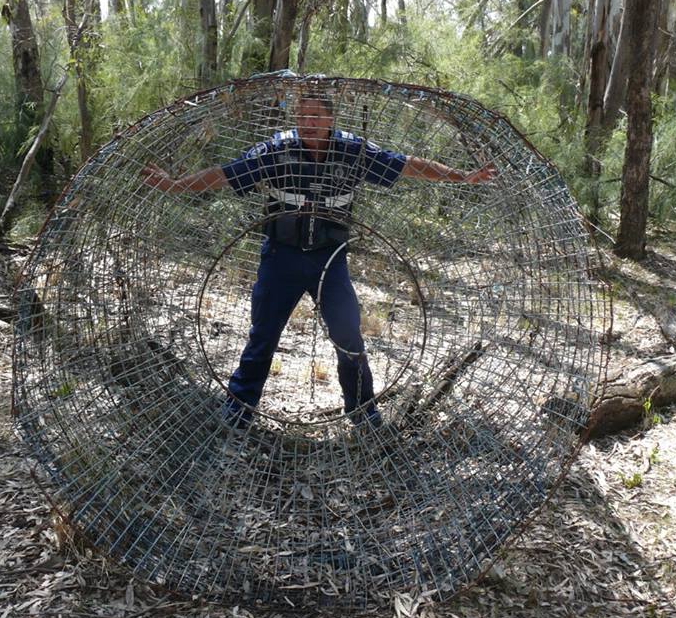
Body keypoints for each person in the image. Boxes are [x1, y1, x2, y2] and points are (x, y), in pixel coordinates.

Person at [142, 94, 496, 429]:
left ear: (331, 118)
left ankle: (363, 411)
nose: (308, 123)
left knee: (348, 335)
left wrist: (462, 176)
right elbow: (225, 173)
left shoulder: (353, 150)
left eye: (316, 116)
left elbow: (406, 165)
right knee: (263, 334)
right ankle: (239, 408)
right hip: (281, 257)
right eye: (302, 116)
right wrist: (177, 185)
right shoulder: (276, 149)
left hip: (330, 259)